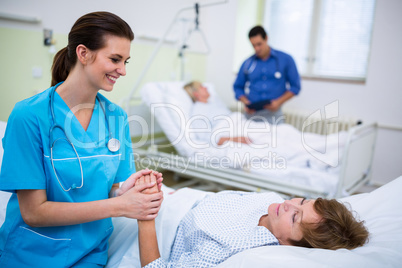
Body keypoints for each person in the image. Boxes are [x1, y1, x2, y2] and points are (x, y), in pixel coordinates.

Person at [0, 12, 163, 267]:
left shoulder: (116, 117)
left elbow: (109, 187)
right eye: (115, 59)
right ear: (83, 53)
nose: (122, 70)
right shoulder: (29, 116)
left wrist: (127, 190)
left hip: (90, 253)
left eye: (125, 62)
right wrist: (121, 205)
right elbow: (33, 212)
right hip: (32, 253)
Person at [136, 174, 369, 267]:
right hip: (176, 198)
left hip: (155, 226)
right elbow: (218, 199)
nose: (290, 203)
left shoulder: (237, 250)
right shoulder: (271, 199)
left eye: (295, 216)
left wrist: (145, 215)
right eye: (303, 201)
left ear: (289, 244)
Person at [233, 25, 301, 124]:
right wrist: (245, 102)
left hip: (274, 115)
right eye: (253, 45)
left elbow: (295, 87)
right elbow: (237, 87)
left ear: (266, 38)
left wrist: (278, 102)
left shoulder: (285, 59)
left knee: (274, 139)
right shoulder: (247, 63)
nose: (257, 48)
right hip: (251, 114)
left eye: (259, 44)